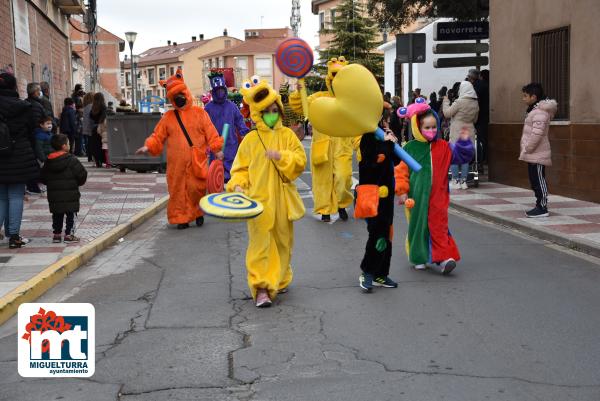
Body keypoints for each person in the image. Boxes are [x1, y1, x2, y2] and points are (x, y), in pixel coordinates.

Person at [226, 76, 306, 307]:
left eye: (275, 110)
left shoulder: (287, 136)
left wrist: (282, 156)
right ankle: (261, 286)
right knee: (260, 246)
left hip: (282, 201)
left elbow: (300, 161)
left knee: (283, 243)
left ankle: (279, 279)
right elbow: (240, 169)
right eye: (266, 111)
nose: (272, 114)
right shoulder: (251, 140)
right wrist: (238, 185)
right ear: (258, 113)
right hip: (258, 203)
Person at [136, 68, 224, 229]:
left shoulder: (199, 113)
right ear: (172, 99)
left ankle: (197, 213)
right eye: (176, 97)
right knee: (177, 190)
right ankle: (180, 217)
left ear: (186, 92)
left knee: (196, 189)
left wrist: (217, 149)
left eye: (181, 94)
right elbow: (158, 135)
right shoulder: (168, 117)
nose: (180, 99)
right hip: (176, 165)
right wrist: (148, 146)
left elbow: (210, 132)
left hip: (196, 161)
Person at [395, 99, 471, 275]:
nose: (431, 131)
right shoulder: (410, 148)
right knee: (418, 225)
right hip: (417, 197)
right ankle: (418, 257)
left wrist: (464, 143)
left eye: (434, 127)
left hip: (439, 196)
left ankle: (444, 259)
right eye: (427, 127)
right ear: (417, 128)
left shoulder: (443, 147)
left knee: (439, 226)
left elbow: (460, 157)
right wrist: (402, 191)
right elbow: (401, 172)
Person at [289, 56, 355, 222]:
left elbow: (358, 122)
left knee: (343, 176)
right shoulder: (318, 97)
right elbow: (299, 107)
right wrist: (299, 91)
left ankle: (342, 204)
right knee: (322, 181)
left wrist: (360, 145)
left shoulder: (349, 101)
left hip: (342, 146)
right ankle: (325, 209)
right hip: (322, 145)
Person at [355, 109, 401, 293]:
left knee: (387, 234)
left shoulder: (385, 136)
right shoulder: (368, 138)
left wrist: (394, 142)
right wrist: (387, 146)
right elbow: (373, 164)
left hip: (387, 196)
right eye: (384, 118)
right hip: (372, 195)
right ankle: (367, 271)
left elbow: (396, 160)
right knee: (376, 233)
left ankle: (381, 273)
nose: (386, 122)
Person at [0, 72, 39, 249]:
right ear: (14, 87)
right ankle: (14, 236)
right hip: (18, 155)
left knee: (1, 197)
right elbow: (32, 130)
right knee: (15, 195)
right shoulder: (24, 107)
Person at [40, 134, 87, 243]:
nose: (70, 145)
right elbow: (82, 174)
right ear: (64, 146)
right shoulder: (72, 160)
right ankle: (69, 234)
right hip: (71, 194)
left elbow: (42, 177)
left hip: (54, 195)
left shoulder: (48, 161)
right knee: (71, 214)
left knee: (57, 214)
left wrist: (50, 184)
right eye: (69, 144)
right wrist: (78, 183)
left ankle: (56, 235)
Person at [519, 83, 556, 218]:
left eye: (525, 96)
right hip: (533, 153)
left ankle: (543, 207)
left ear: (533, 97)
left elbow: (537, 134)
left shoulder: (540, 113)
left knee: (539, 180)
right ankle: (538, 205)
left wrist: (527, 148)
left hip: (537, 153)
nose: (523, 99)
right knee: (534, 180)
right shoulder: (533, 111)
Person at [204, 72, 249, 182]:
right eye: (217, 90)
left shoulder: (232, 106)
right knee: (215, 167)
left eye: (221, 89)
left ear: (225, 89)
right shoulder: (208, 108)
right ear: (213, 91)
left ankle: (230, 182)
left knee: (230, 166)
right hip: (215, 144)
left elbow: (239, 120)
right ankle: (216, 182)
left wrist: (244, 132)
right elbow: (203, 124)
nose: (219, 92)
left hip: (230, 142)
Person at [442, 81, 479, 189]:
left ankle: (455, 181)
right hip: (469, 132)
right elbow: (475, 119)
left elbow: (447, 113)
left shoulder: (459, 102)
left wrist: (445, 102)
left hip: (457, 132)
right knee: (465, 159)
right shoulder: (475, 103)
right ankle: (464, 181)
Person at [89, 93, 107, 167]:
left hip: (94, 128)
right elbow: (104, 116)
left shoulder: (93, 107)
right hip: (101, 128)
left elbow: (90, 116)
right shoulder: (103, 106)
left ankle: (97, 161)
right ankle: (103, 160)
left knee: (95, 145)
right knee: (102, 145)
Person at [81, 92, 94, 161]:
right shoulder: (92, 106)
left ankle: (89, 157)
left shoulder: (85, 107)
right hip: (91, 126)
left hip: (86, 126)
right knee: (92, 142)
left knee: (88, 142)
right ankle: (92, 156)